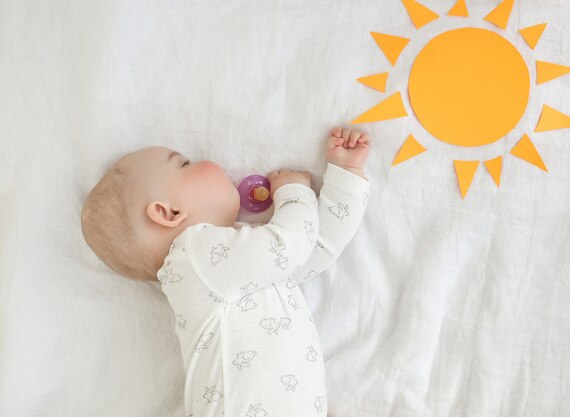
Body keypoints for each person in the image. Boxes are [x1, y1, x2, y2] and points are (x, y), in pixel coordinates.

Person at [81, 127, 372, 416]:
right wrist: (294, 192)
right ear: (168, 213)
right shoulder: (193, 255)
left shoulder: (231, 259)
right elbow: (291, 247)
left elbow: (313, 248)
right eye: (185, 164)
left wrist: (346, 175)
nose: (201, 161)